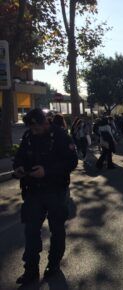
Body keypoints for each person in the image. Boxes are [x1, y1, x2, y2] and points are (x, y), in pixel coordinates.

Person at [13, 108, 78, 285]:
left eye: (37, 128)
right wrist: (18, 168)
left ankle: (53, 264)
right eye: (32, 129)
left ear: (46, 123)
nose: (34, 132)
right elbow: (19, 157)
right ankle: (31, 270)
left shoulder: (61, 136)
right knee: (31, 231)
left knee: (57, 230)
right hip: (33, 191)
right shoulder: (28, 137)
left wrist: (47, 171)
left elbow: (72, 161)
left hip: (56, 191)